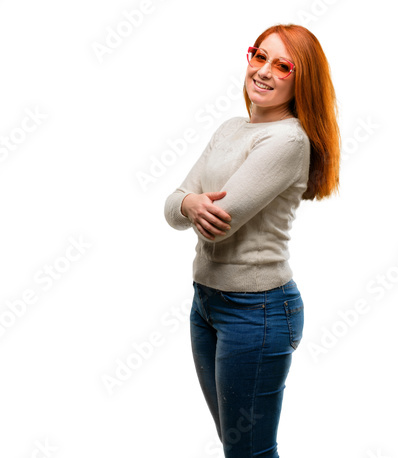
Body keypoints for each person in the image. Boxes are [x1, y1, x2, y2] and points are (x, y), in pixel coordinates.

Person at [164, 24, 339, 458]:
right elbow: (173, 207)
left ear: (303, 80)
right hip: (206, 303)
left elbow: (218, 222)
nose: (264, 71)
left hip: (257, 311)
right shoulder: (229, 129)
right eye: (259, 56)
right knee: (237, 446)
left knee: (249, 452)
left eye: (283, 65)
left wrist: (193, 202)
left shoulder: (289, 140)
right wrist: (188, 203)